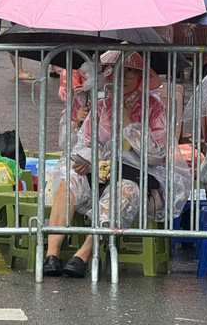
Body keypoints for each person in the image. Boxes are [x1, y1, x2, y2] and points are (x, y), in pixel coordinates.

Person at [43, 51, 189, 277]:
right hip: (100, 173)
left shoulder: (154, 109)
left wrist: (130, 125)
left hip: (138, 178)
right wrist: (86, 161)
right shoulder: (102, 106)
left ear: (141, 76)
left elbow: (156, 155)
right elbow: (86, 142)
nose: (126, 76)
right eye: (122, 71)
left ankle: (82, 255)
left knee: (123, 191)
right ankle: (51, 254)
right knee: (69, 180)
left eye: (132, 71)